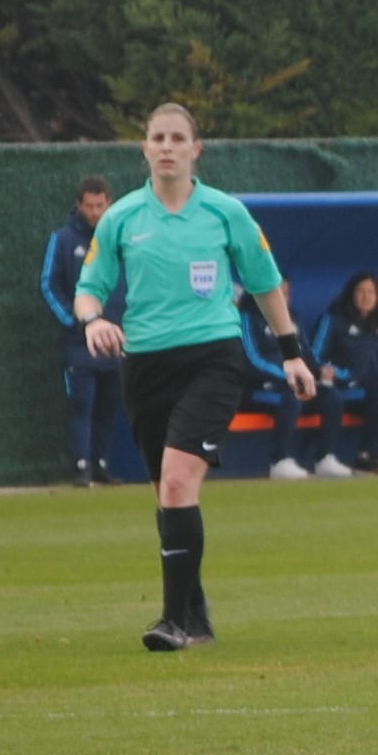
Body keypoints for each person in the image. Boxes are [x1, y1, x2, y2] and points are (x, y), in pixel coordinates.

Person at [70, 101, 316, 651]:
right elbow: (89, 288)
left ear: (195, 150)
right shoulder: (121, 218)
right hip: (145, 367)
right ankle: (196, 615)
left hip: (212, 361)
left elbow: (265, 283)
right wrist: (93, 320)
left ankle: (172, 622)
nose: (167, 147)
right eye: (157, 137)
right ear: (144, 148)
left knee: (179, 481)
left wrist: (292, 354)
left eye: (177, 138)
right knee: (168, 495)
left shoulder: (226, 213)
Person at [41, 175, 126, 486]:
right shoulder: (63, 239)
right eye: (89, 206)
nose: (95, 212)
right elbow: (49, 285)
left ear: (109, 204)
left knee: (109, 404)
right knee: (82, 404)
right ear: (79, 205)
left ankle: (100, 463)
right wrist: (75, 321)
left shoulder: (120, 239)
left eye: (100, 206)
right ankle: (81, 465)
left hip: (115, 341)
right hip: (79, 345)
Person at [308, 272, 378, 475]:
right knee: (333, 400)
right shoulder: (332, 319)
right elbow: (314, 356)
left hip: (367, 387)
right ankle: (324, 457)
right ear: (351, 294)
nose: (366, 297)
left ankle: (367, 455)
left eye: (371, 292)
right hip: (337, 385)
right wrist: (332, 372)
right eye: (360, 291)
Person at [236, 293, 315, 478]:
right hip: (257, 387)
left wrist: (316, 373)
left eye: (286, 293)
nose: (281, 297)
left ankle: (323, 458)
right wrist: (286, 376)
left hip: (291, 384)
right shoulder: (248, 317)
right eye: (277, 291)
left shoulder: (292, 317)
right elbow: (252, 359)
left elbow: (306, 353)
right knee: (291, 399)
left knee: (329, 397)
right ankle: (279, 460)